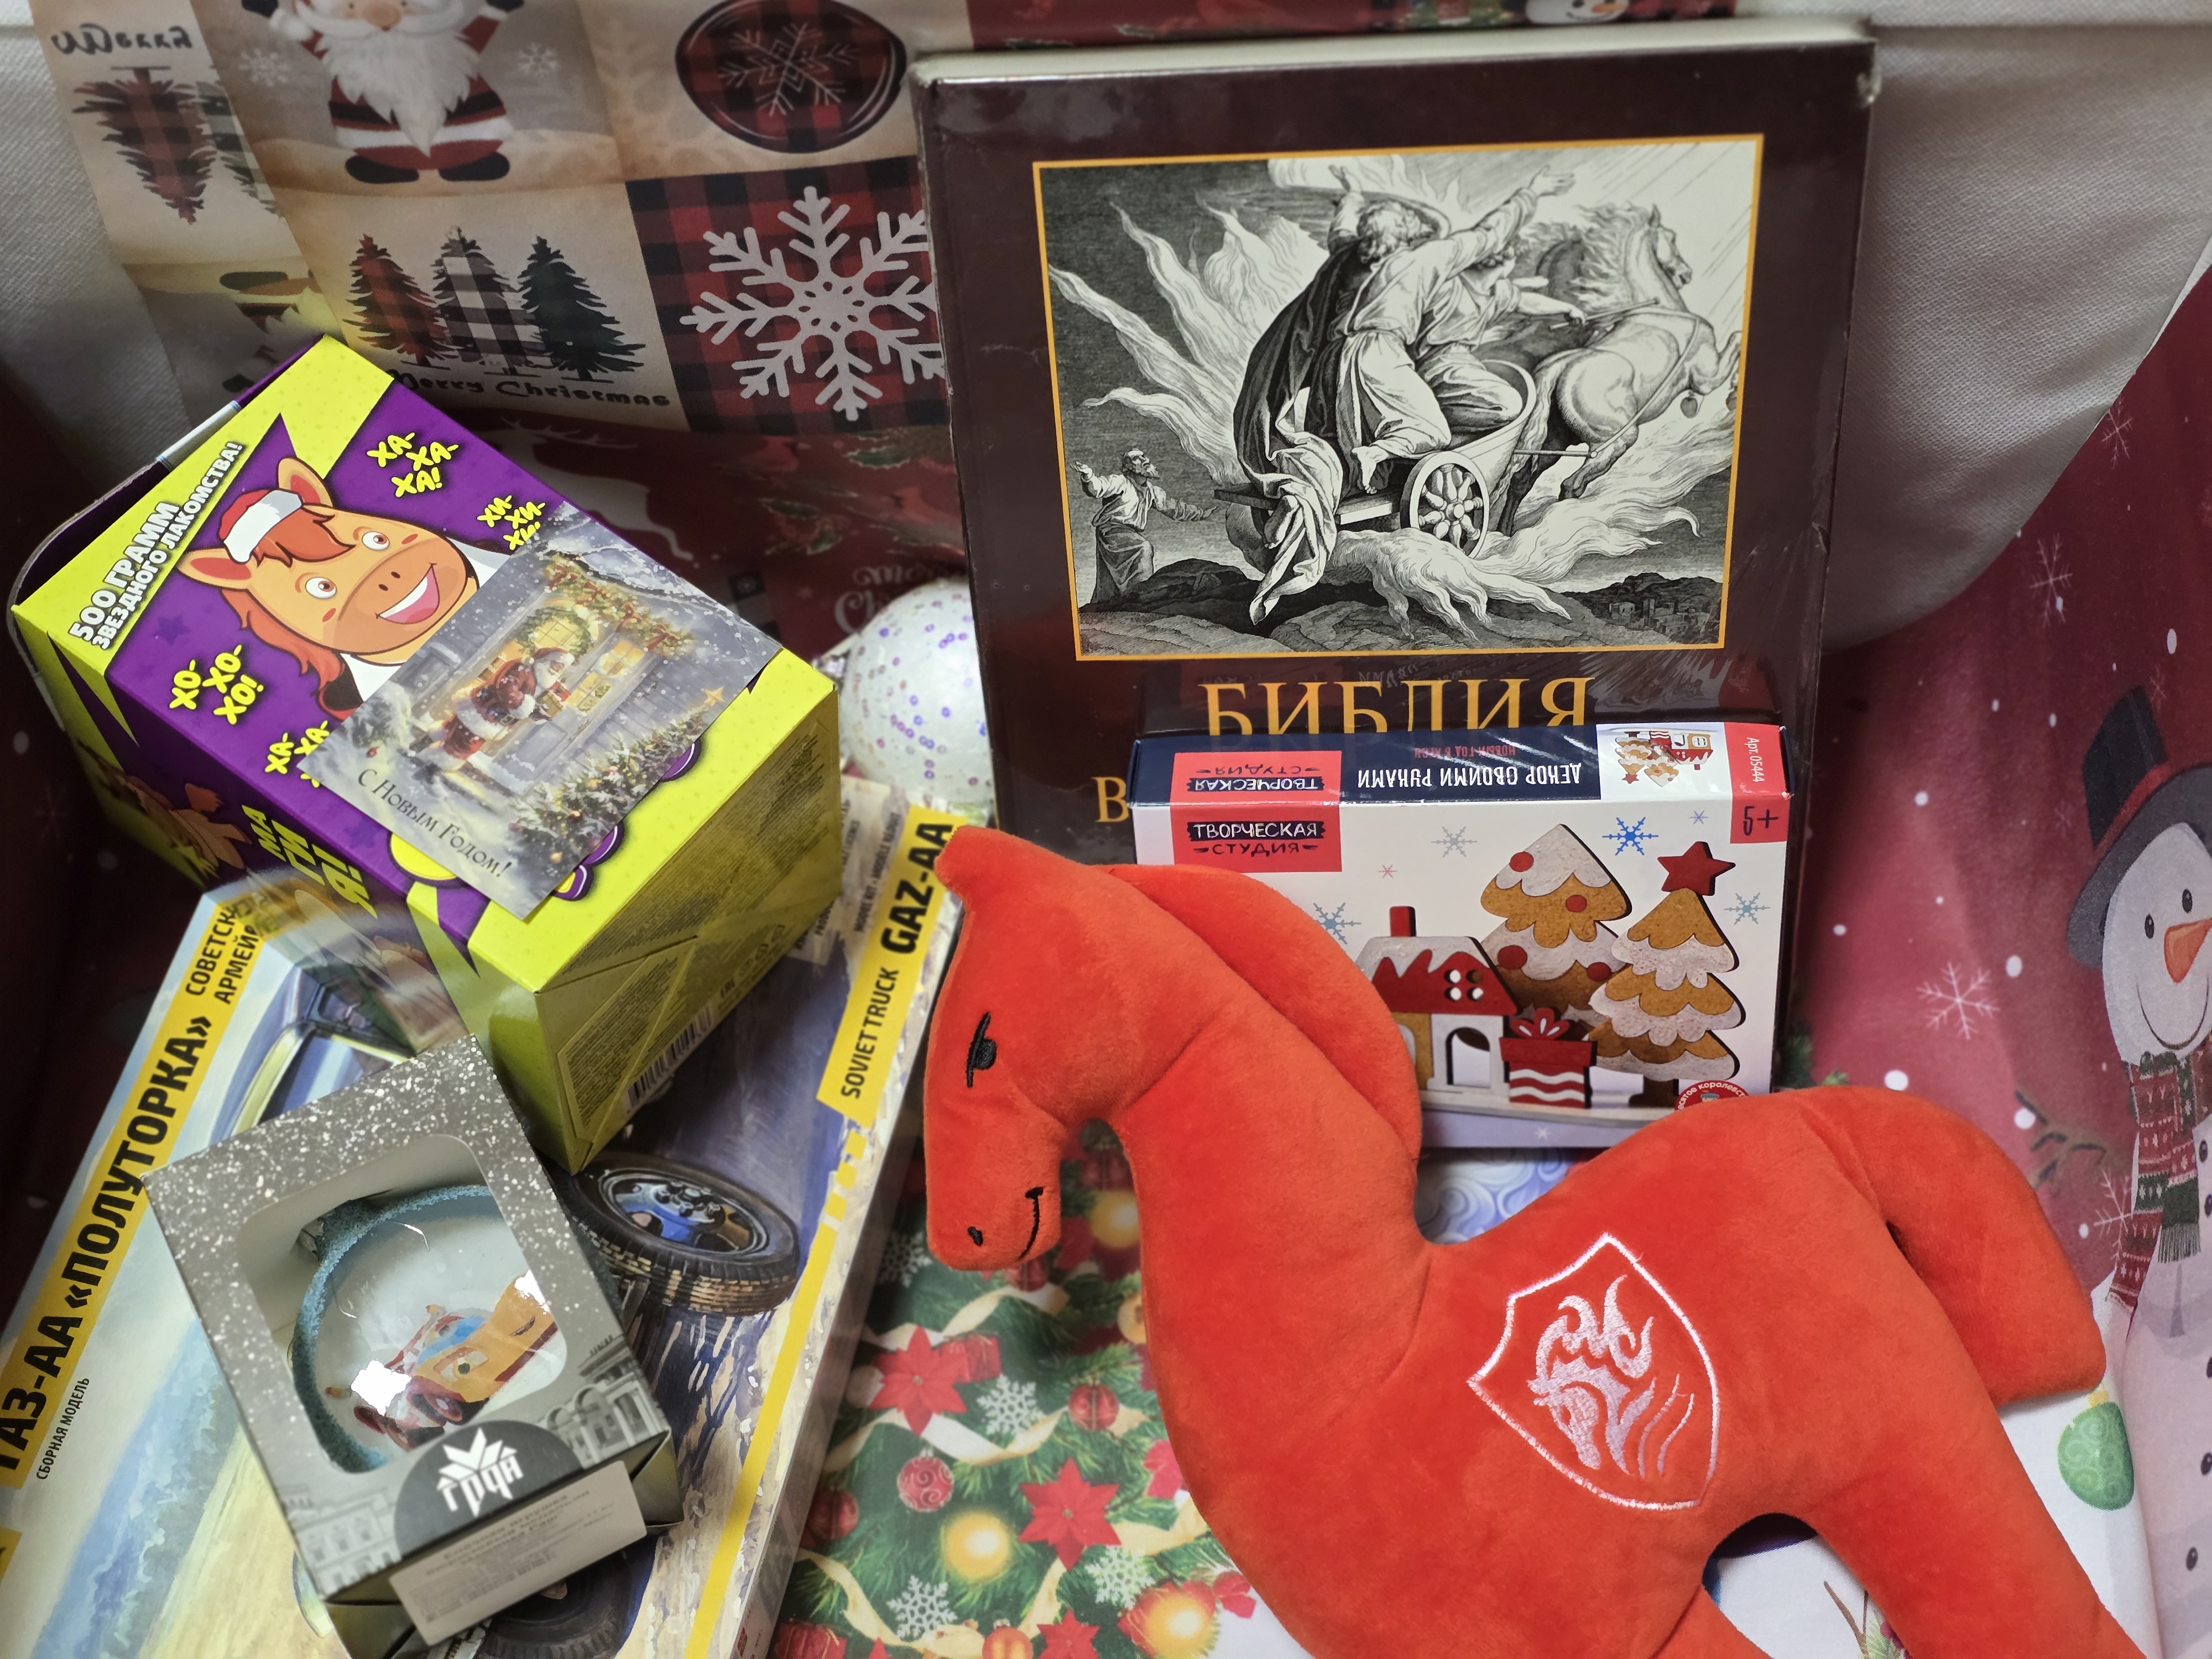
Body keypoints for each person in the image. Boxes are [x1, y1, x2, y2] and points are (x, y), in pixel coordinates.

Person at [1334, 169, 1577, 491]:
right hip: (1384, 352)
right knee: (1434, 431)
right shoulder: (1427, 259)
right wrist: (1531, 192)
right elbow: (1490, 233)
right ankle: (1378, 454)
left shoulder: (1366, 265)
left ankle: (1380, 460)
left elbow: (1341, 236)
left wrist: (1352, 196)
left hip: (1344, 358)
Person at [1074, 449, 1212, 606]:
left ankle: (1124, 598)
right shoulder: (1120, 482)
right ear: (1129, 467)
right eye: (1138, 458)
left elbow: (1175, 508)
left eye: (1144, 456)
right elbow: (1098, 487)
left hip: (1129, 533)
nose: (1145, 459)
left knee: (1114, 574)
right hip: (1111, 531)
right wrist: (1088, 476)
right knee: (1143, 548)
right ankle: (1142, 593)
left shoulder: (1153, 492)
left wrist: (1201, 514)